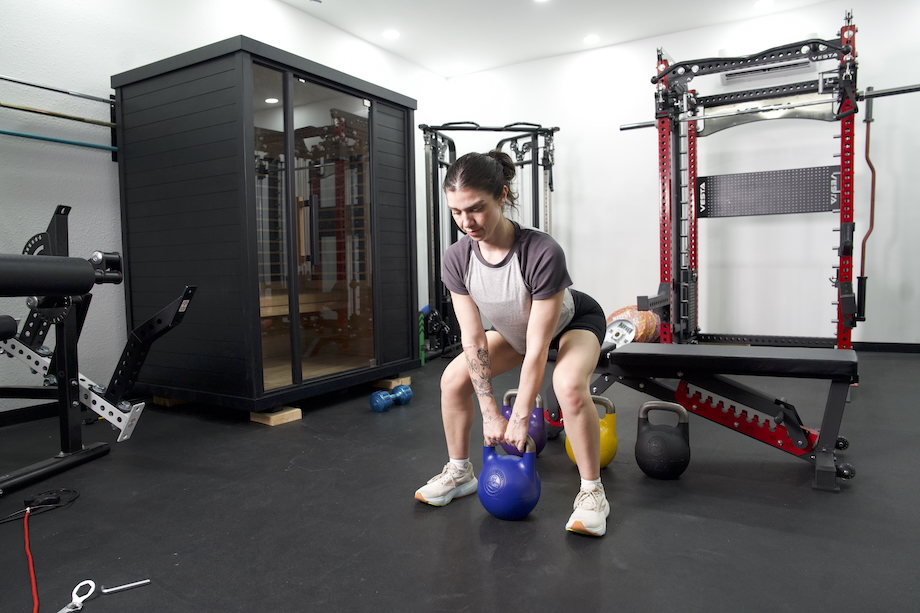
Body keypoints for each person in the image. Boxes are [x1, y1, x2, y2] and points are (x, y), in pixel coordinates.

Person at [414, 150, 609, 536]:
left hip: (572, 325)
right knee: (452, 380)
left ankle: (593, 492)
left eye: (476, 209)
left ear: (502, 196)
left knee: (567, 385)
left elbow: (537, 348)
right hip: (513, 332)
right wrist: (490, 413)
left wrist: (519, 416)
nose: (466, 222)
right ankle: (460, 471)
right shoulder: (456, 258)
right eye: (455, 212)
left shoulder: (540, 251)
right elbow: (472, 338)